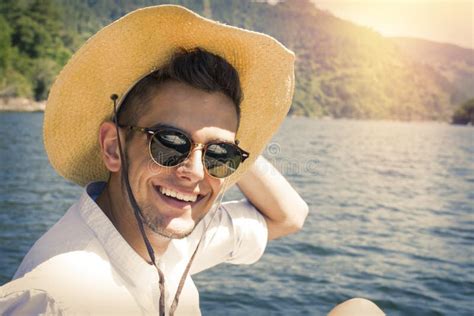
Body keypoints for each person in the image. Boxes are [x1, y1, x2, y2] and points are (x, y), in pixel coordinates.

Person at [0, 5, 384, 316]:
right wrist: (215, 140)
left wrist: (225, 139)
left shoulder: (173, 234)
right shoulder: (56, 296)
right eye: (169, 142)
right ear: (113, 147)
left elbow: (290, 216)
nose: (195, 172)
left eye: (219, 156)